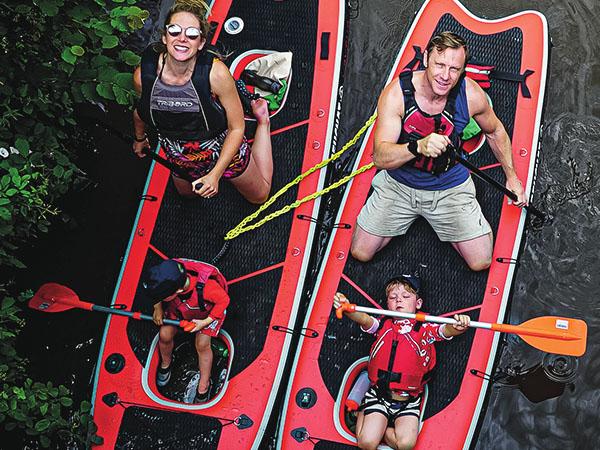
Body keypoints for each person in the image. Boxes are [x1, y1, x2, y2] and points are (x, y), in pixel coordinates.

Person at [351, 31, 526, 271]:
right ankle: (422, 221)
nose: (445, 76)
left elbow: (495, 131)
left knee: (480, 261)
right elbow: (380, 157)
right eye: (440, 65)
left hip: (449, 187)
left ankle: (446, 226)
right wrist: (417, 146)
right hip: (399, 185)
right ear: (425, 60)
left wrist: (512, 178)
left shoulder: (472, 94)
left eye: (454, 69)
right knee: (361, 252)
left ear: (463, 69)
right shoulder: (396, 94)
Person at [132, 0, 273, 204]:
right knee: (186, 195)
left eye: (191, 34)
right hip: (176, 149)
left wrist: (215, 174)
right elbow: (141, 110)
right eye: (174, 31)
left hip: (220, 145)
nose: (182, 39)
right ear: (164, 37)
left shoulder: (216, 75)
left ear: (201, 42)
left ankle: (263, 122)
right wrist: (139, 138)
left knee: (259, 197)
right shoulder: (142, 75)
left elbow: (236, 127)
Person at [333, 275, 470, 450]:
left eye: (406, 297)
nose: (399, 300)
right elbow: (363, 319)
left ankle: (380, 428)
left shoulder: (426, 328)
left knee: (405, 445)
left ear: (418, 303)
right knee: (367, 444)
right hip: (379, 396)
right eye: (393, 297)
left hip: (409, 400)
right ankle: (364, 418)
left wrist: (460, 325)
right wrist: (347, 307)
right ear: (388, 305)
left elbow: (447, 330)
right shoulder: (382, 325)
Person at [143, 258, 229, 403]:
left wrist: (204, 323)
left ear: (178, 290)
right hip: (180, 310)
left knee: (202, 344)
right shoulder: (169, 275)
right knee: (164, 334)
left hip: (207, 315)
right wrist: (157, 307)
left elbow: (224, 301)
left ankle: (204, 385)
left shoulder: (208, 288)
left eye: (161, 297)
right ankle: (166, 364)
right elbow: (156, 291)